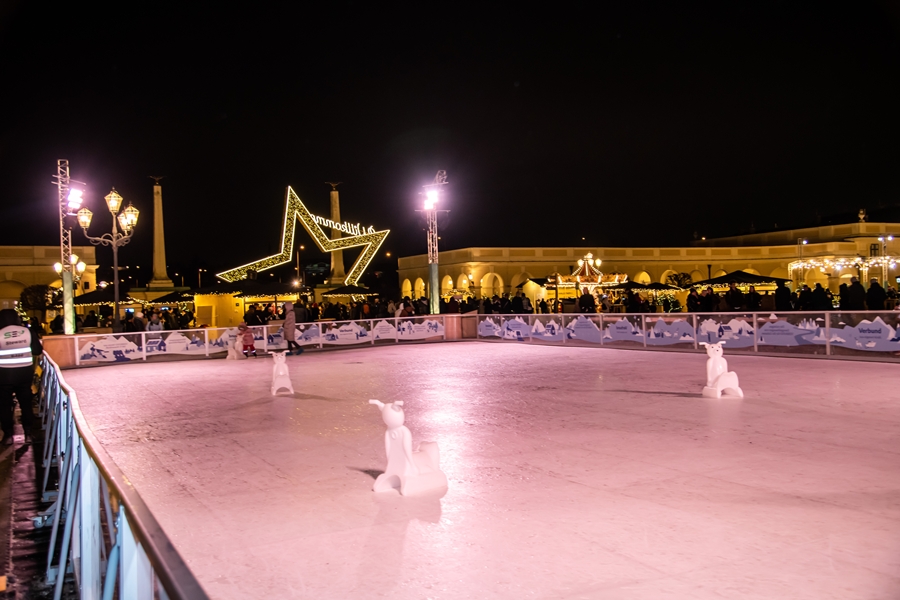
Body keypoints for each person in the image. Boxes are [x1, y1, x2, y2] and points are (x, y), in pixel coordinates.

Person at [0, 309, 42, 445]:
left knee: (4, 406)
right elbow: (37, 350)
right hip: (24, 374)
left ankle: (8, 436)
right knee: (26, 404)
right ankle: (28, 434)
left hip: (4, 375)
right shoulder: (27, 332)